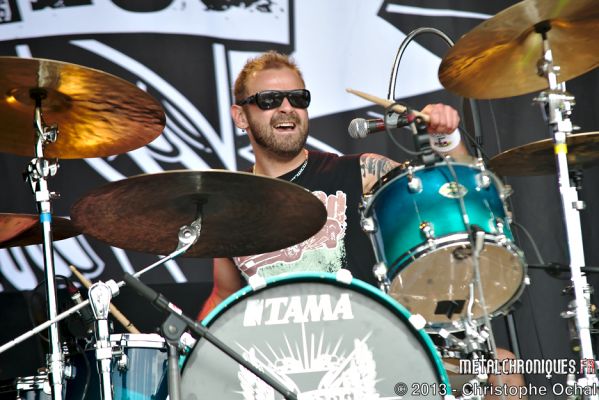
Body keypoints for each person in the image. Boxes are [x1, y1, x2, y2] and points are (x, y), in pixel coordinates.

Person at [198, 50, 526, 399]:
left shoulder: (360, 172)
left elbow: (458, 198)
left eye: (298, 98)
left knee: (503, 370)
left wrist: (447, 139)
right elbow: (224, 296)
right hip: (279, 367)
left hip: (375, 350)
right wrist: (185, 353)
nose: (287, 108)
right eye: (269, 100)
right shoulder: (232, 206)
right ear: (241, 116)